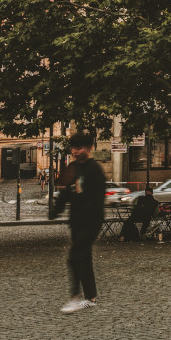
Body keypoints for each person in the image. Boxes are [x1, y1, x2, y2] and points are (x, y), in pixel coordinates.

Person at [55, 132, 106, 313]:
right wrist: (55, 210)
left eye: (80, 148)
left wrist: (81, 201)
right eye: (74, 148)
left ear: (89, 148)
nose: (76, 152)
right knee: (84, 257)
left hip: (92, 221)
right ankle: (90, 297)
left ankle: (75, 297)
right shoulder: (72, 167)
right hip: (76, 221)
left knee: (74, 257)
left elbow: (97, 198)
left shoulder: (95, 169)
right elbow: (64, 192)